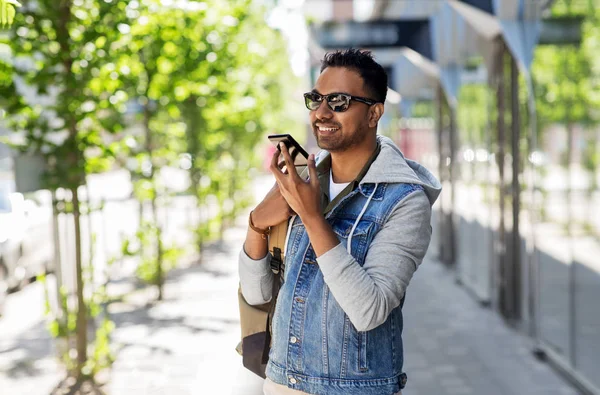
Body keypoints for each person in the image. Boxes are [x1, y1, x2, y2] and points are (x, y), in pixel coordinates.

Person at [239, 48, 441, 395]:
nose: (321, 112)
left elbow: (370, 311)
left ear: (374, 113)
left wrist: (312, 217)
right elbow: (258, 295)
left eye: (339, 100)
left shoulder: (405, 201)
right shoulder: (301, 180)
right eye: (316, 99)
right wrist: (257, 224)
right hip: (280, 382)